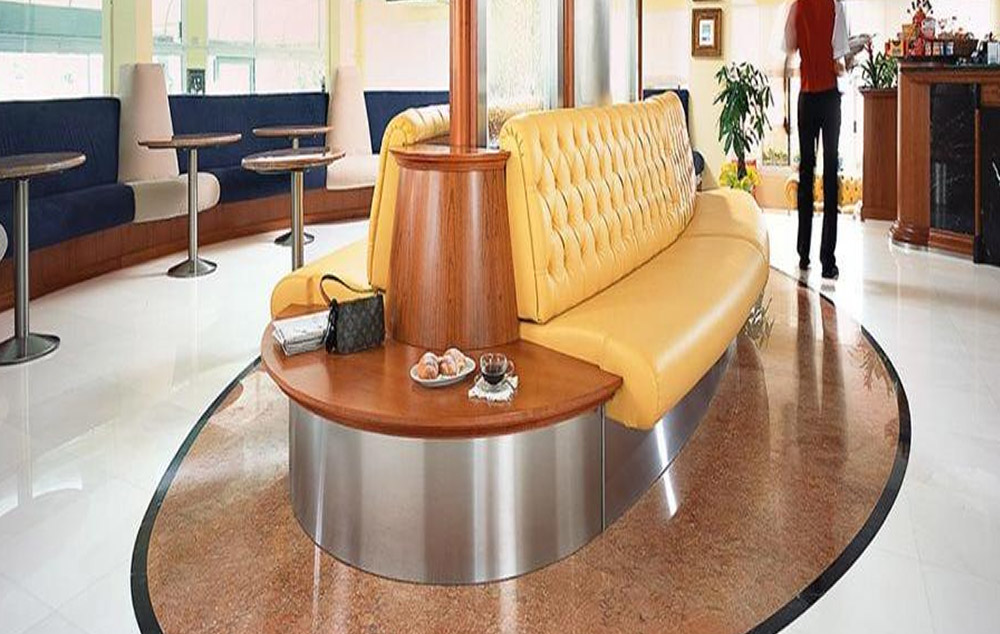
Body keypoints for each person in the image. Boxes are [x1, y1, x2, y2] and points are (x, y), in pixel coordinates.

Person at [783, 0, 851, 280]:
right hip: (829, 98)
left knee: (806, 172)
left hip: (806, 99)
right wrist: (849, 62)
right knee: (830, 174)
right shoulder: (836, 5)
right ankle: (828, 261)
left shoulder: (796, 6)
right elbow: (839, 61)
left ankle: (803, 253)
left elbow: (789, 49)